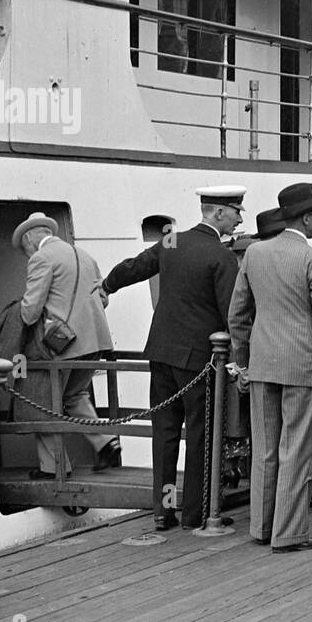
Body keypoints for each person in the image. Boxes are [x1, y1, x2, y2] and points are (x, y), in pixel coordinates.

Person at [103, 187, 243, 530]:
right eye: (237, 211)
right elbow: (231, 314)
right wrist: (240, 358)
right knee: (200, 436)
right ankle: (194, 514)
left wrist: (107, 284)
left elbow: (135, 267)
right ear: (219, 214)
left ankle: (164, 510)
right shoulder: (221, 256)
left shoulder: (172, 242)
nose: (240, 218)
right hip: (197, 362)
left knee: (164, 435)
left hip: (161, 352)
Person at [227, 182, 312, 553]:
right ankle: (289, 533)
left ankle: (261, 527)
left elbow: (238, 316)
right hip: (305, 365)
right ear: (305, 217)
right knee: (297, 448)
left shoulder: (254, 255)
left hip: (262, 364)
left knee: (265, 448)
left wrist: (244, 362)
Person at [14, 213, 118, 480]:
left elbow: (30, 311)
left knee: (44, 401)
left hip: (63, 345)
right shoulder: (84, 255)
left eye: (23, 248)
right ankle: (106, 442)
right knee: (74, 395)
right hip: (96, 341)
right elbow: (103, 300)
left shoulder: (41, 258)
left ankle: (54, 468)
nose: (25, 254)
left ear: (29, 238)